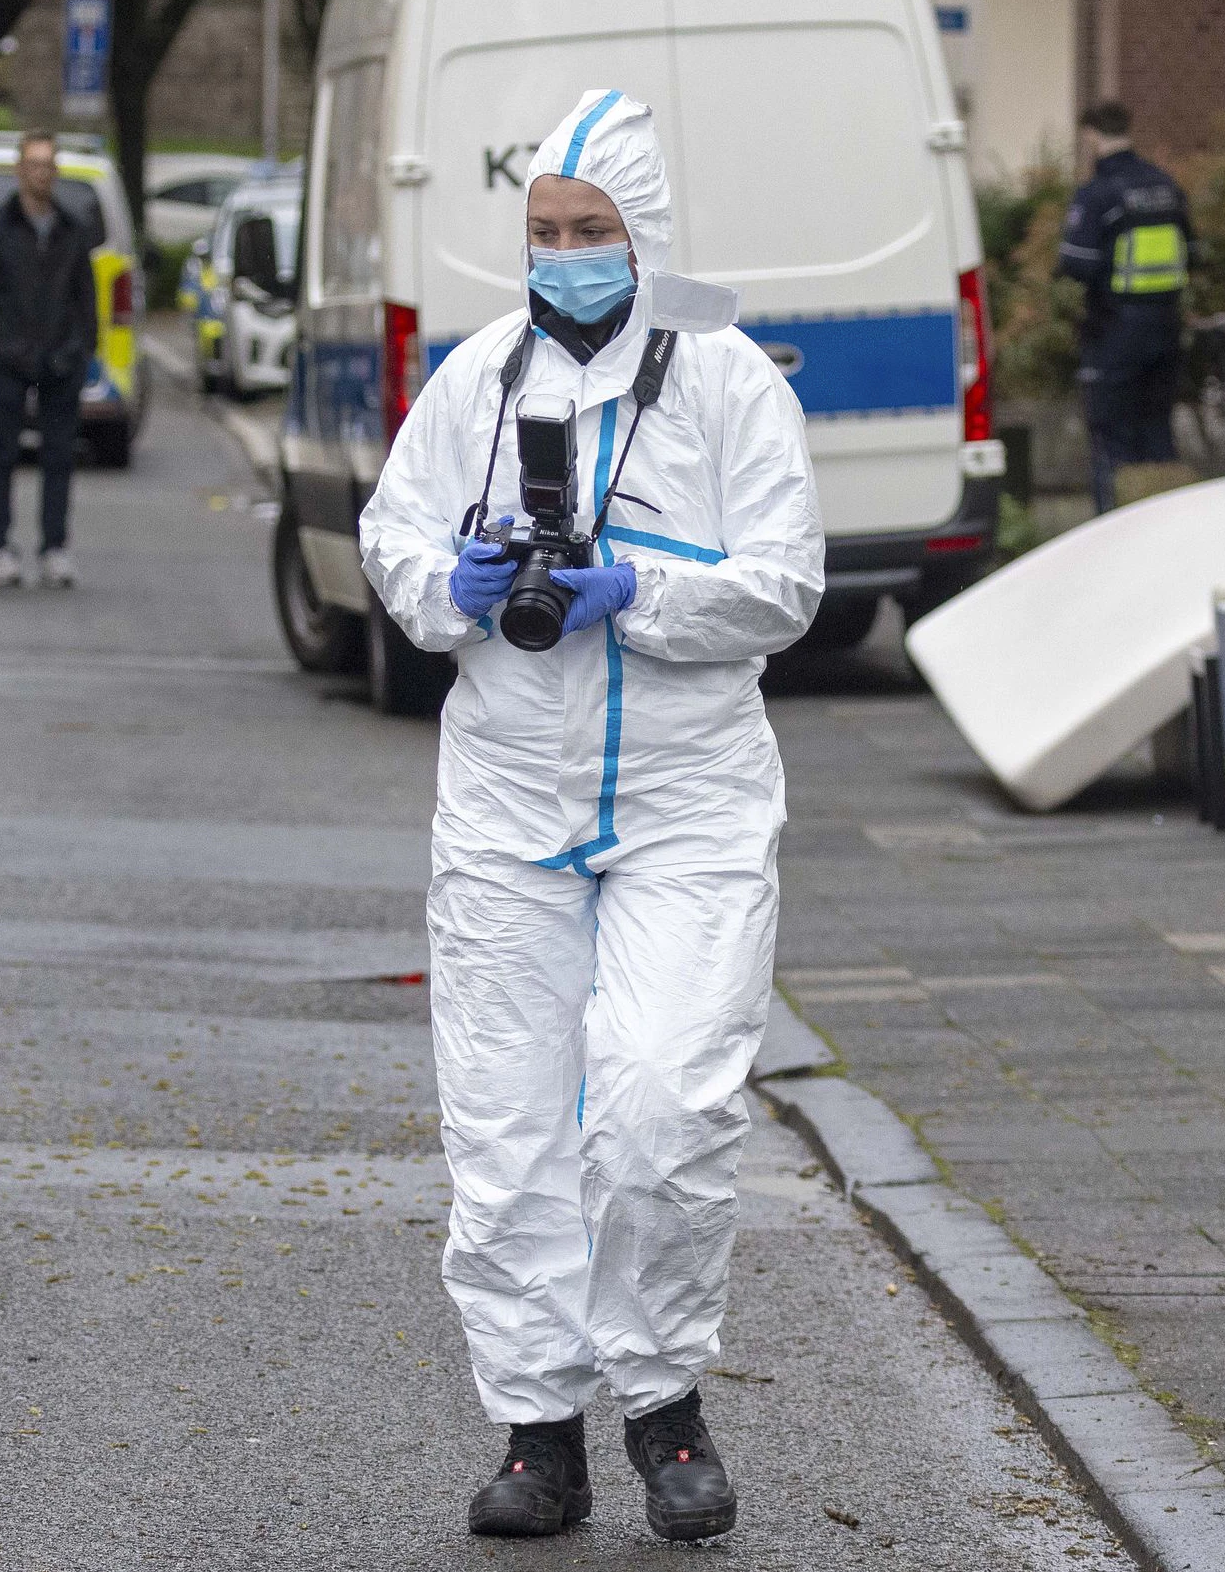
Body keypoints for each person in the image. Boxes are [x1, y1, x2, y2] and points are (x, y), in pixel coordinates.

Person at [359, 88, 823, 1543]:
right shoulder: (477, 381)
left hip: (686, 799)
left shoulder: (730, 383)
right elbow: (392, 538)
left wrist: (643, 593)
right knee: (502, 1125)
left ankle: (663, 1400)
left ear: (645, 236)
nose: (562, 254)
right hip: (507, 798)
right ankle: (536, 1427)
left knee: (661, 1096)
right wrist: (458, 588)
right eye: (543, 230)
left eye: (591, 230)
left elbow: (786, 583)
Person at [0, 131, 99, 589]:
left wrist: (84, 347)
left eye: (49, 164)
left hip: (60, 360)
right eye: (34, 164)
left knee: (59, 456)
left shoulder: (72, 228)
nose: (42, 173)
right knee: (1, 453)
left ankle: (54, 546)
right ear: (20, 169)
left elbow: (86, 294)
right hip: (8, 358)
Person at [1055, 100, 1191, 513]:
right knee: (1157, 434)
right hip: (1166, 330)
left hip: (1113, 332)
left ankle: (1112, 529)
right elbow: (1194, 254)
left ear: (1092, 137)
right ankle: (1163, 523)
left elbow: (1075, 266)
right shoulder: (1167, 187)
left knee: (1110, 439)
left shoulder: (1098, 195)